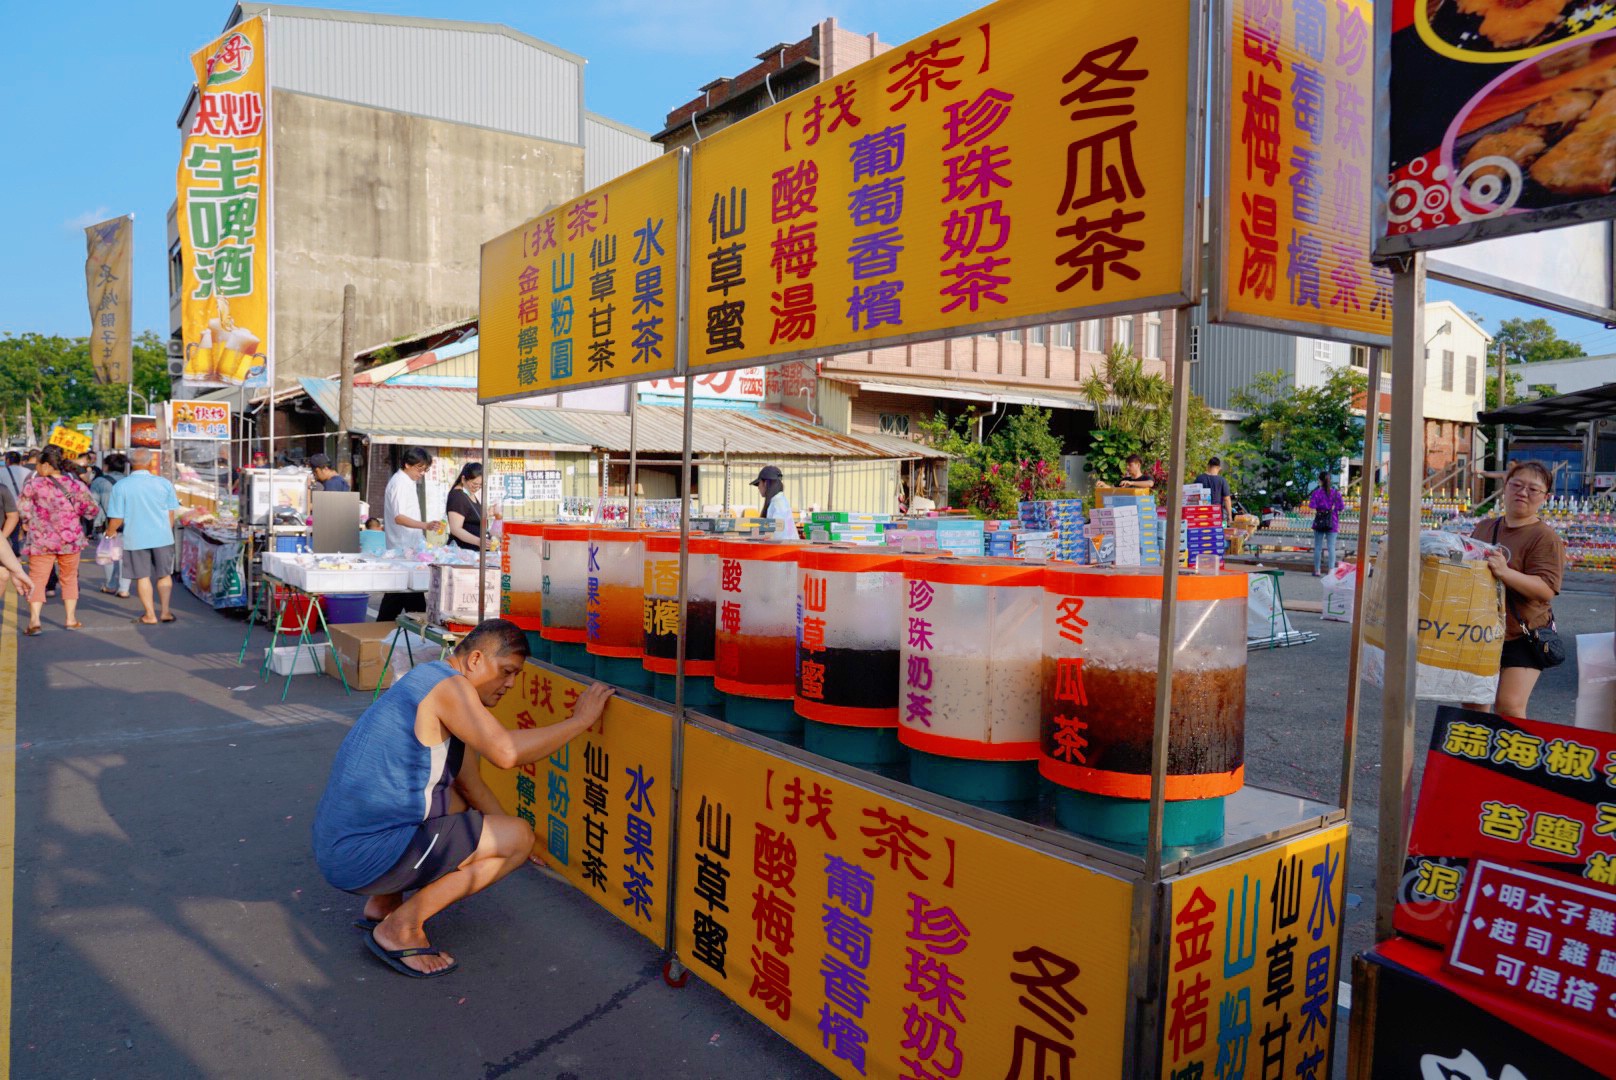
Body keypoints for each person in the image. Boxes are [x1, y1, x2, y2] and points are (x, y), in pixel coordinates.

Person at [311, 619, 615, 977]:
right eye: (506, 671)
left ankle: (385, 904)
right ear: (474, 660)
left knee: (466, 809)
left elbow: (471, 786)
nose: (509, 685)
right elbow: (505, 752)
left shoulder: (429, 680)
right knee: (515, 836)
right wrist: (580, 722)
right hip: (360, 856)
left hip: (342, 848)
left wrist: (513, 838)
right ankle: (400, 929)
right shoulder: (449, 688)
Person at [1468, 461, 1566, 718]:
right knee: (1473, 705)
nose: (1522, 492)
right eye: (1517, 485)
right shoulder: (1485, 527)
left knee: (1509, 706)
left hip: (1523, 633)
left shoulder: (1545, 538)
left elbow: (1546, 589)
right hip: (1481, 630)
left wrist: (1505, 572)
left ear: (1545, 498)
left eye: (1533, 489)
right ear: (1505, 489)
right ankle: (1478, 759)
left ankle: (1514, 758)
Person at [17, 446, 99, 635]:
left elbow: (22, 508)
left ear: (46, 465)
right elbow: (92, 510)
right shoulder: (76, 485)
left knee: (37, 580)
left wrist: (28, 522)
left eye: (38, 465)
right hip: (70, 540)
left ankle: (34, 622)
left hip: (41, 540)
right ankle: (70, 619)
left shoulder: (33, 485)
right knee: (69, 579)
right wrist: (73, 514)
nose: (36, 469)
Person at [105, 448, 181, 626]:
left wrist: (110, 532)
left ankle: (150, 615)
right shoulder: (164, 483)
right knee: (164, 575)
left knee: (142, 576)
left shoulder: (121, 486)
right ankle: (165, 611)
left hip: (135, 537)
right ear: (150, 462)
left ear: (130, 464)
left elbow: (117, 518)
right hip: (163, 536)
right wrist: (165, 531)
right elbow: (171, 513)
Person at [378, 447, 442, 623]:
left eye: (424, 470)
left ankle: (377, 635)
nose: (421, 474)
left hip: (409, 547)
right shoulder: (399, 483)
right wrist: (425, 525)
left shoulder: (407, 481)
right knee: (411, 597)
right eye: (419, 469)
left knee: (398, 597)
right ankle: (420, 636)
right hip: (402, 547)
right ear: (407, 464)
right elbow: (399, 517)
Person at [91, 453, 128, 597]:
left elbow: (92, 504)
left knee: (109, 555)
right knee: (126, 556)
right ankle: (124, 589)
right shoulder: (130, 481)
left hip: (105, 524)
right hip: (128, 525)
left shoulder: (99, 481)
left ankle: (111, 585)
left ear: (106, 466)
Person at [445, 462, 496, 551]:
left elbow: (470, 517)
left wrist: (488, 513)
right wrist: (478, 541)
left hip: (473, 552)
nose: (477, 488)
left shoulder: (468, 493)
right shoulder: (457, 496)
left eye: (480, 485)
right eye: (474, 484)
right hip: (463, 552)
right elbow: (455, 529)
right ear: (463, 479)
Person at [1307, 471, 1345, 576]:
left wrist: (1320, 511)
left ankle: (1317, 570)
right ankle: (1331, 571)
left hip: (1319, 522)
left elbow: (1312, 508)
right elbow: (1341, 508)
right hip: (1332, 522)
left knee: (1318, 547)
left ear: (1320, 480)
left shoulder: (1316, 493)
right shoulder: (1336, 493)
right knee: (1331, 547)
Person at [750, 465, 800, 540]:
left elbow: (773, 532)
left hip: (784, 549)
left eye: (758, 484)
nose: (758, 487)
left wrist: (750, 535)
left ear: (765, 483)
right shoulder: (780, 500)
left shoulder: (777, 504)